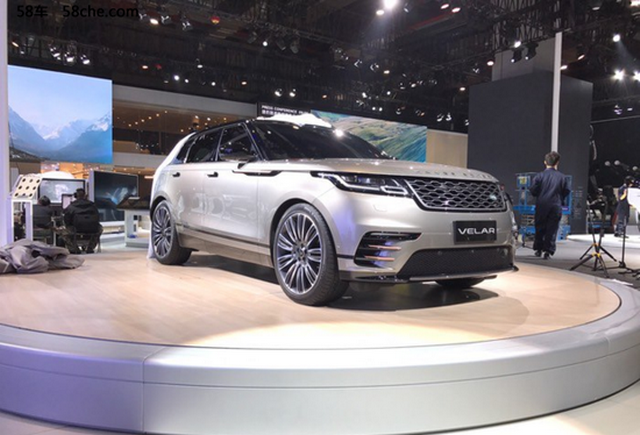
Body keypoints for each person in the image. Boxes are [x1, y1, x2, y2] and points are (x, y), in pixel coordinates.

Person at [530, 151, 571, 259]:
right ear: (557, 162)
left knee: (539, 227)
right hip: (555, 205)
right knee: (552, 229)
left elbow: (533, 190)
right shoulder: (562, 177)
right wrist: (560, 198)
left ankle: (538, 249)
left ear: (545, 162)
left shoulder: (539, 176)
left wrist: (540, 195)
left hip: (542, 205)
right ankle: (548, 251)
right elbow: (567, 190)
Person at [56, 188, 103, 254]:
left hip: (76, 229)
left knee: (63, 232)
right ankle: (90, 248)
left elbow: (67, 219)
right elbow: (97, 218)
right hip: (92, 229)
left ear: (76, 196)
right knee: (100, 228)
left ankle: (74, 248)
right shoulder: (93, 205)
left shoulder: (72, 206)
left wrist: (68, 225)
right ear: (85, 196)